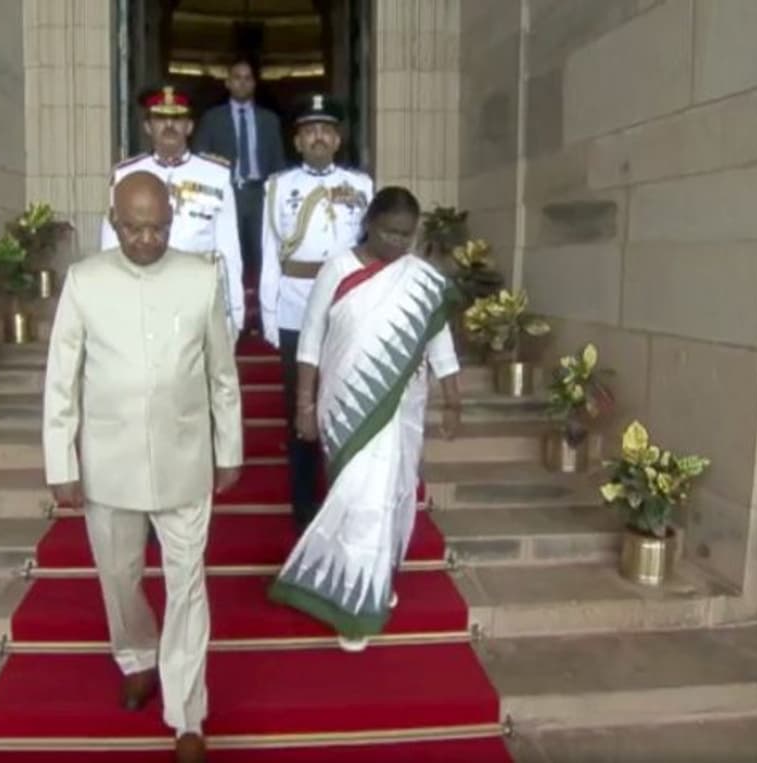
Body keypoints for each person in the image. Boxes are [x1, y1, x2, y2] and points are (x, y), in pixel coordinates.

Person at [45, 171, 243, 763]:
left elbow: (222, 374)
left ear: (172, 222)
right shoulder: (85, 281)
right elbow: (61, 382)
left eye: (158, 228)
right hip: (109, 464)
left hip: (185, 459)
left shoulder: (201, 277)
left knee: (188, 585)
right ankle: (136, 656)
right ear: (114, 221)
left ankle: (188, 714)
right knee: (119, 577)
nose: (147, 240)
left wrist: (228, 449)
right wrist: (60, 460)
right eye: (134, 228)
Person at [267, 186, 462, 653]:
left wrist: (453, 400)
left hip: (401, 407)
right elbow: (310, 340)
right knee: (358, 500)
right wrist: (304, 405)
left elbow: (439, 343)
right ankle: (354, 600)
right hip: (344, 405)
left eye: (406, 235)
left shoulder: (421, 279)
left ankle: (374, 578)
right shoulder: (337, 269)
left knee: (390, 497)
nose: (397, 242)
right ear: (369, 223)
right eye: (389, 231)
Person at [258, 93, 373, 532]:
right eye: (310, 130)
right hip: (297, 305)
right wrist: (270, 316)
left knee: (348, 402)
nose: (319, 137)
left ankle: (345, 501)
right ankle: (304, 511)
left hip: (347, 305)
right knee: (300, 409)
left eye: (326, 129)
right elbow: (270, 255)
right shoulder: (278, 187)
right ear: (298, 140)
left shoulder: (361, 186)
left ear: (338, 139)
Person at [101, 84, 245, 340]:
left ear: (189, 127)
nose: (169, 125)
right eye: (160, 118)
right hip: (143, 290)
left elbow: (229, 252)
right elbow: (110, 248)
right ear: (148, 127)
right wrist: (112, 304)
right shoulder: (126, 174)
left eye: (177, 119)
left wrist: (234, 312)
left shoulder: (216, 175)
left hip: (197, 292)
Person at [193, 56, 286, 283]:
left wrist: (277, 197)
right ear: (227, 82)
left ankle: (260, 301)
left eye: (247, 78)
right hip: (226, 193)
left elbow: (278, 163)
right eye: (237, 78)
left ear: (254, 83)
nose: (242, 83)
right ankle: (228, 299)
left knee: (262, 253)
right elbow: (200, 159)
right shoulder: (212, 118)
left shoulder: (269, 120)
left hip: (259, 195)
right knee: (228, 252)